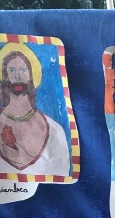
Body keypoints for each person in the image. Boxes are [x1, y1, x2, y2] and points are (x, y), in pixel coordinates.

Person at [0, 44, 70, 176]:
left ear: (32, 76)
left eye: (23, 70)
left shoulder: (55, 130)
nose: (17, 76)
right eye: (11, 70)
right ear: (5, 76)